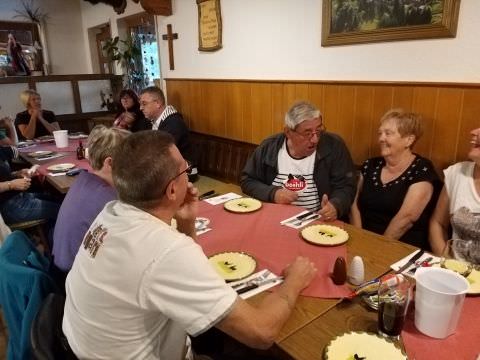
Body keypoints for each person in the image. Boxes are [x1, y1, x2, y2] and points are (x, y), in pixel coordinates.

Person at [63, 131, 316, 359]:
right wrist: (294, 280)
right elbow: (261, 332)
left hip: (83, 348)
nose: (189, 175)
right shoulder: (164, 250)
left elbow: (176, 270)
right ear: (172, 190)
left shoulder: (111, 212)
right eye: (185, 170)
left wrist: (186, 224)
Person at [240, 101, 356, 221]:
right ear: (288, 132)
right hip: (275, 219)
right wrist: (273, 194)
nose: (315, 139)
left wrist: (336, 205)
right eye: (307, 133)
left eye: (319, 131)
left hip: (318, 222)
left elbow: (347, 186)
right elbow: (247, 180)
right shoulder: (269, 147)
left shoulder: (334, 146)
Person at [350, 109, 440, 249]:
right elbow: (353, 203)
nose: (381, 138)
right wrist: (359, 237)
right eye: (380, 133)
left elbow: (407, 218)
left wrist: (379, 248)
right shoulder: (370, 164)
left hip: (400, 246)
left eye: (388, 133)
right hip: (363, 238)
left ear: (409, 140)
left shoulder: (421, 169)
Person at [52, 125, 130, 274]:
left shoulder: (84, 181)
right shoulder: (108, 202)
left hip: (61, 267)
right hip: (74, 277)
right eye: (130, 160)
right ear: (110, 163)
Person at [429, 127, 480, 255]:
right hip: (455, 270)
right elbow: (438, 223)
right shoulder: (457, 172)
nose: (473, 131)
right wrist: (447, 262)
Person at [0, 145, 59, 225]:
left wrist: (18, 173)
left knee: (58, 199)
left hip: (18, 198)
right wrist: (11, 184)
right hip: (8, 208)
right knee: (61, 210)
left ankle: (48, 231)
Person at [139, 86, 191, 159]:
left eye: (144, 104)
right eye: (140, 104)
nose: (140, 108)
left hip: (183, 168)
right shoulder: (149, 120)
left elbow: (160, 153)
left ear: (158, 103)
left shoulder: (174, 123)